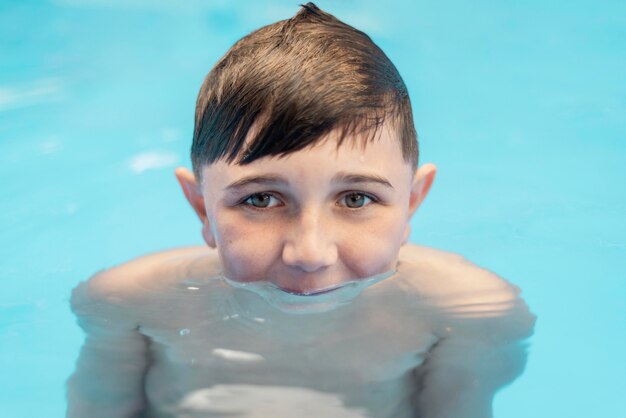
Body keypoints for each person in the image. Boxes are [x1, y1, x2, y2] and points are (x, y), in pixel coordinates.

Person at [66, 3, 536, 417]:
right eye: (261, 199)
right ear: (202, 209)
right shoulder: (127, 307)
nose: (309, 253)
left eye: (356, 199)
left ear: (412, 201)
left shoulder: (467, 316)